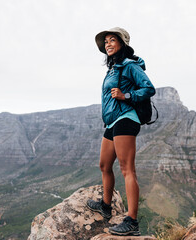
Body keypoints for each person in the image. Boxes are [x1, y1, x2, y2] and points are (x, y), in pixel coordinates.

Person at [86, 27, 155, 236]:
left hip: (126, 118)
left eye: (112, 40)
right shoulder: (113, 68)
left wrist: (126, 95)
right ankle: (106, 206)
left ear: (122, 43)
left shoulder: (130, 66)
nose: (107, 44)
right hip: (112, 122)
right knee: (104, 165)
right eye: (105, 41)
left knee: (127, 169)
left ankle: (132, 221)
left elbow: (149, 88)